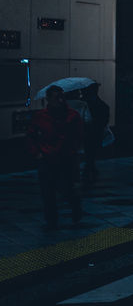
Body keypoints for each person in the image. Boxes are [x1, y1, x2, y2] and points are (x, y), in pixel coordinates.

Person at [27, 85, 84, 230]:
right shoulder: (40, 116)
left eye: (61, 97)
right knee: (47, 191)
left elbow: (79, 134)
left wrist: (74, 148)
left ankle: (75, 205)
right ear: (48, 99)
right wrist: (37, 153)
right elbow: (31, 136)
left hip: (66, 157)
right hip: (47, 158)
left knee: (66, 188)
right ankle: (51, 219)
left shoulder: (72, 116)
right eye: (55, 97)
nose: (59, 100)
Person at [80, 83, 110, 186]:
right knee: (91, 151)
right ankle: (90, 167)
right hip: (97, 131)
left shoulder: (85, 104)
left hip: (88, 131)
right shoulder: (101, 104)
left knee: (89, 150)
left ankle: (89, 167)